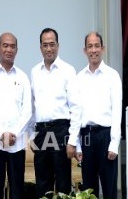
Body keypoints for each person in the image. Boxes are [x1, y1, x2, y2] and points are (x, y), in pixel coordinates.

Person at [30, 28, 81, 198]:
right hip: (41, 132)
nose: (49, 48)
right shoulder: (35, 72)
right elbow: (32, 107)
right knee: (42, 181)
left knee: (63, 182)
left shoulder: (68, 70)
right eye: (45, 45)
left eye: (52, 44)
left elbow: (76, 107)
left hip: (61, 130)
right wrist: (32, 135)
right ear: (40, 48)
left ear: (58, 46)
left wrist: (72, 140)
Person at [0, 32, 31, 199]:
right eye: (5, 45)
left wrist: (14, 133)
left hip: (17, 143)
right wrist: (2, 133)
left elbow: (27, 110)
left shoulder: (23, 77)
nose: (9, 49)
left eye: (12, 46)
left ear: (17, 50)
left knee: (17, 189)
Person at [76, 31, 122, 199]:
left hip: (106, 137)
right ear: (84, 50)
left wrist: (114, 143)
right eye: (90, 46)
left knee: (109, 188)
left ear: (102, 48)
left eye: (96, 46)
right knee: (89, 189)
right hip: (86, 136)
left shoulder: (112, 76)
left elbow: (117, 111)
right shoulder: (79, 78)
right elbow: (76, 113)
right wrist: (77, 145)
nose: (93, 50)